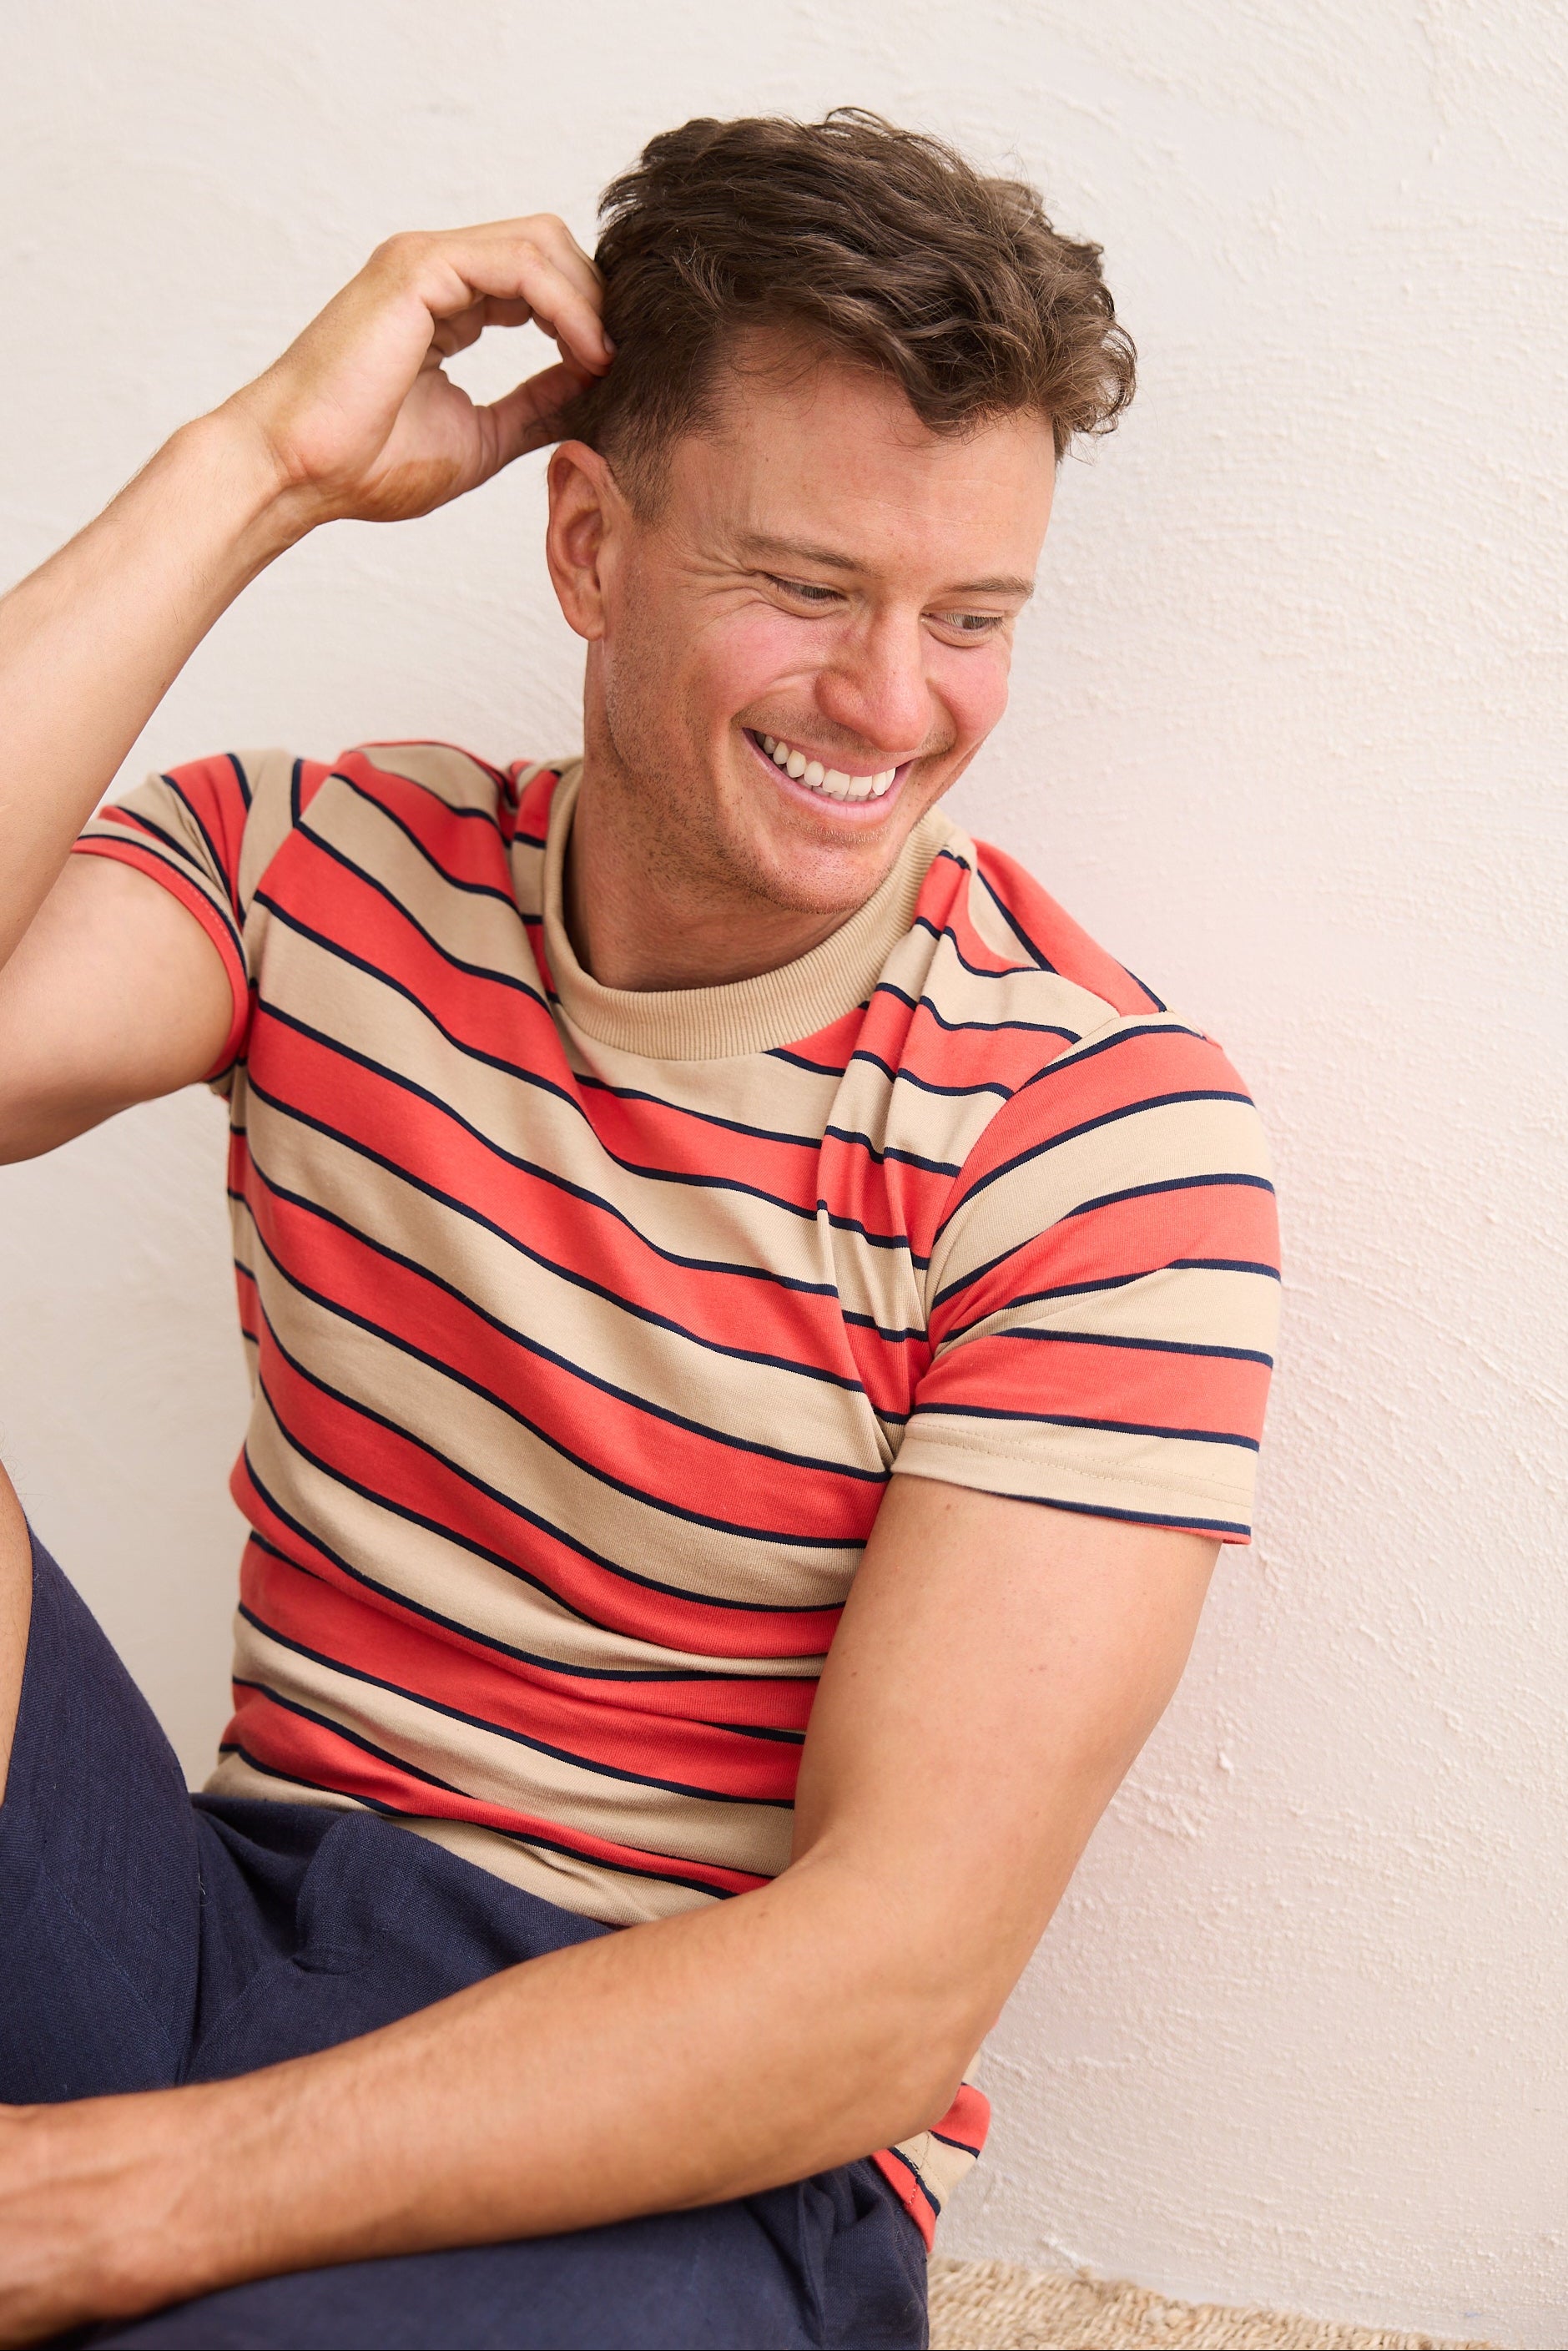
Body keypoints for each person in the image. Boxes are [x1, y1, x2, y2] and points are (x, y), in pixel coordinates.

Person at [0, 110, 1278, 2350]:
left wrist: (117, 2205)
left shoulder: (1089, 1139)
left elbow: (887, 1982)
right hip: (213, 1916)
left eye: (972, 618)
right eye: (811, 588)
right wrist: (254, 468)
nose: (895, 701)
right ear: (590, 543)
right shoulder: (314, 872)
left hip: (689, 2129)